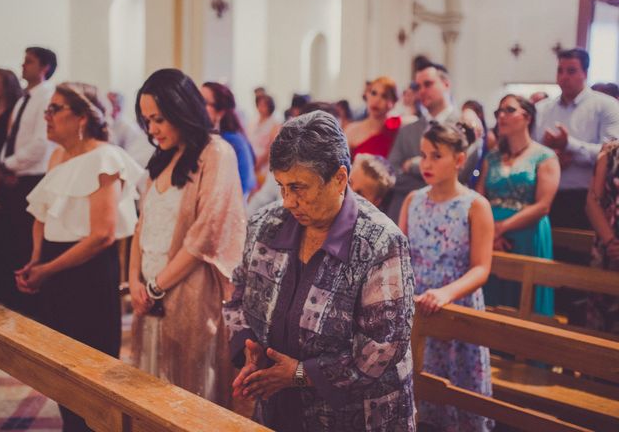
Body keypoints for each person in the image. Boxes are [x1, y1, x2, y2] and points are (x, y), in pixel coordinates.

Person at [223, 111, 416, 431]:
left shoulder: (379, 242)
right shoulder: (265, 225)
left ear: (340, 178)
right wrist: (249, 350)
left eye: (299, 187)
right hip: (282, 408)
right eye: (281, 186)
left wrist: (301, 373)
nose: (287, 202)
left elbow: (382, 348)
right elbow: (236, 294)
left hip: (355, 416)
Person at [17, 82, 143, 431]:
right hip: (54, 269)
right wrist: (35, 261)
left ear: (83, 117)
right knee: (60, 368)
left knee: (93, 371)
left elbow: (102, 234)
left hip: (87, 273)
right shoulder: (57, 156)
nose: (47, 116)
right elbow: (43, 215)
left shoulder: (105, 158)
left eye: (55, 109)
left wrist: (47, 269)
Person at [129, 69, 246, 408]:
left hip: (190, 295)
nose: (152, 129)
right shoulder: (164, 156)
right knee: (151, 392)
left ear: (182, 109)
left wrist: (155, 286)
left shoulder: (216, 152)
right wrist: (134, 280)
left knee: (188, 395)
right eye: (147, 120)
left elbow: (206, 233)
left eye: (159, 119)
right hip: (150, 296)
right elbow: (143, 224)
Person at [398, 121, 494, 432]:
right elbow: (400, 256)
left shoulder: (475, 205)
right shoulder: (413, 200)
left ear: (459, 159)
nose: (426, 163)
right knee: (418, 398)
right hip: (417, 304)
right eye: (423, 155)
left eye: (436, 156)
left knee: (457, 396)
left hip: (456, 305)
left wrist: (446, 293)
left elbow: (481, 267)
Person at [477, 95, 560, 316]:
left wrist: (501, 228)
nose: (501, 116)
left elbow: (543, 206)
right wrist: (490, 233)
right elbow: (478, 199)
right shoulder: (492, 157)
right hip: (490, 236)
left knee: (522, 300)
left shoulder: (545, 156)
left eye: (509, 110)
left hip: (526, 234)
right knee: (490, 299)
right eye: (498, 112)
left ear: (527, 117)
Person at [0, 47, 56, 314]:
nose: (23, 65)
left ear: (44, 67)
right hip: (14, 177)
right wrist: (5, 165)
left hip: (32, 178)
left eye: (29, 61)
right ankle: (5, 302)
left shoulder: (48, 96)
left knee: (23, 245)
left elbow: (41, 143)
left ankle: (24, 306)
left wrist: (9, 164)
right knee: (5, 244)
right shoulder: (23, 100)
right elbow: (12, 138)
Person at [534, 48, 619, 231]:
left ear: (585, 73)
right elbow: (530, 151)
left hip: (587, 199)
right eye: (560, 71)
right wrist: (551, 159)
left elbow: (612, 155)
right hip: (546, 197)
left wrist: (570, 145)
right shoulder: (542, 109)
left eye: (571, 71)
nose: (564, 77)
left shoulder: (606, 106)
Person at [387, 62, 480, 223]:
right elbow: (391, 174)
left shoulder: (466, 126)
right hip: (406, 214)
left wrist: (412, 165)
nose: (422, 91)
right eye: (418, 87)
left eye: (428, 84)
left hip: (451, 216)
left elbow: (462, 172)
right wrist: (440, 174)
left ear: (446, 84)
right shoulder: (407, 131)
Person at [585, 141, 619, 333]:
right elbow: (592, 201)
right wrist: (611, 242)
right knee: (602, 326)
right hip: (608, 247)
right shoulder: (610, 152)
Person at [201, 81, 257, 197]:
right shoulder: (199, 139)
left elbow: (242, 188)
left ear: (220, 112)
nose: (197, 106)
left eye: (204, 102)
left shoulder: (234, 142)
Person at [344, 76, 401, 160]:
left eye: (384, 96)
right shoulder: (351, 130)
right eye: (373, 93)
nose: (377, 100)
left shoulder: (399, 127)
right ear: (366, 94)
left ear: (393, 102)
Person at [107, 91, 154, 167]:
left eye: (108, 105)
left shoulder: (129, 128)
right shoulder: (109, 124)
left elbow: (131, 159)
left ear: (118, 109)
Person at [247, 93, 280, 182]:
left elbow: (271, 147)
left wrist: (258, 164)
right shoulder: (253, 121)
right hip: (251, 159)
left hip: (264, 164)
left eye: (264, 105)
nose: (261, 108)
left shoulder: (274, 124)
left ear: (270, 107)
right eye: (259, 105)